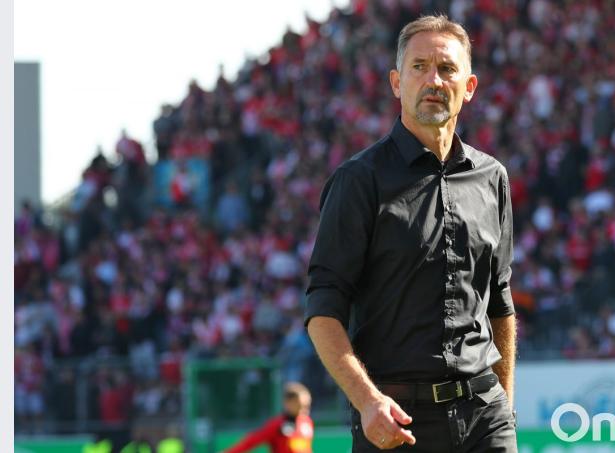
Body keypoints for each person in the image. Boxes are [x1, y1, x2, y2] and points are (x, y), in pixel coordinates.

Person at [304, 15, 517, 452]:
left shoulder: (493, 178)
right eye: (419, 67)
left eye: (447, 68)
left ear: (470, 87)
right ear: (397, 83)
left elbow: (500, 301)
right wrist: (366, 402)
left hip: (485, 417)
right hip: (394, 423)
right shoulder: (358, 180)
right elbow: (323, 309)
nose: (434, 80)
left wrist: (505, 405)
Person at [220, 382, 314, 453]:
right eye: (300, 406)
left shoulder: (307, 422)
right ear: (287, 403)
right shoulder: (277, 424)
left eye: (307, 406)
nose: (304, 410)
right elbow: (251, 441)